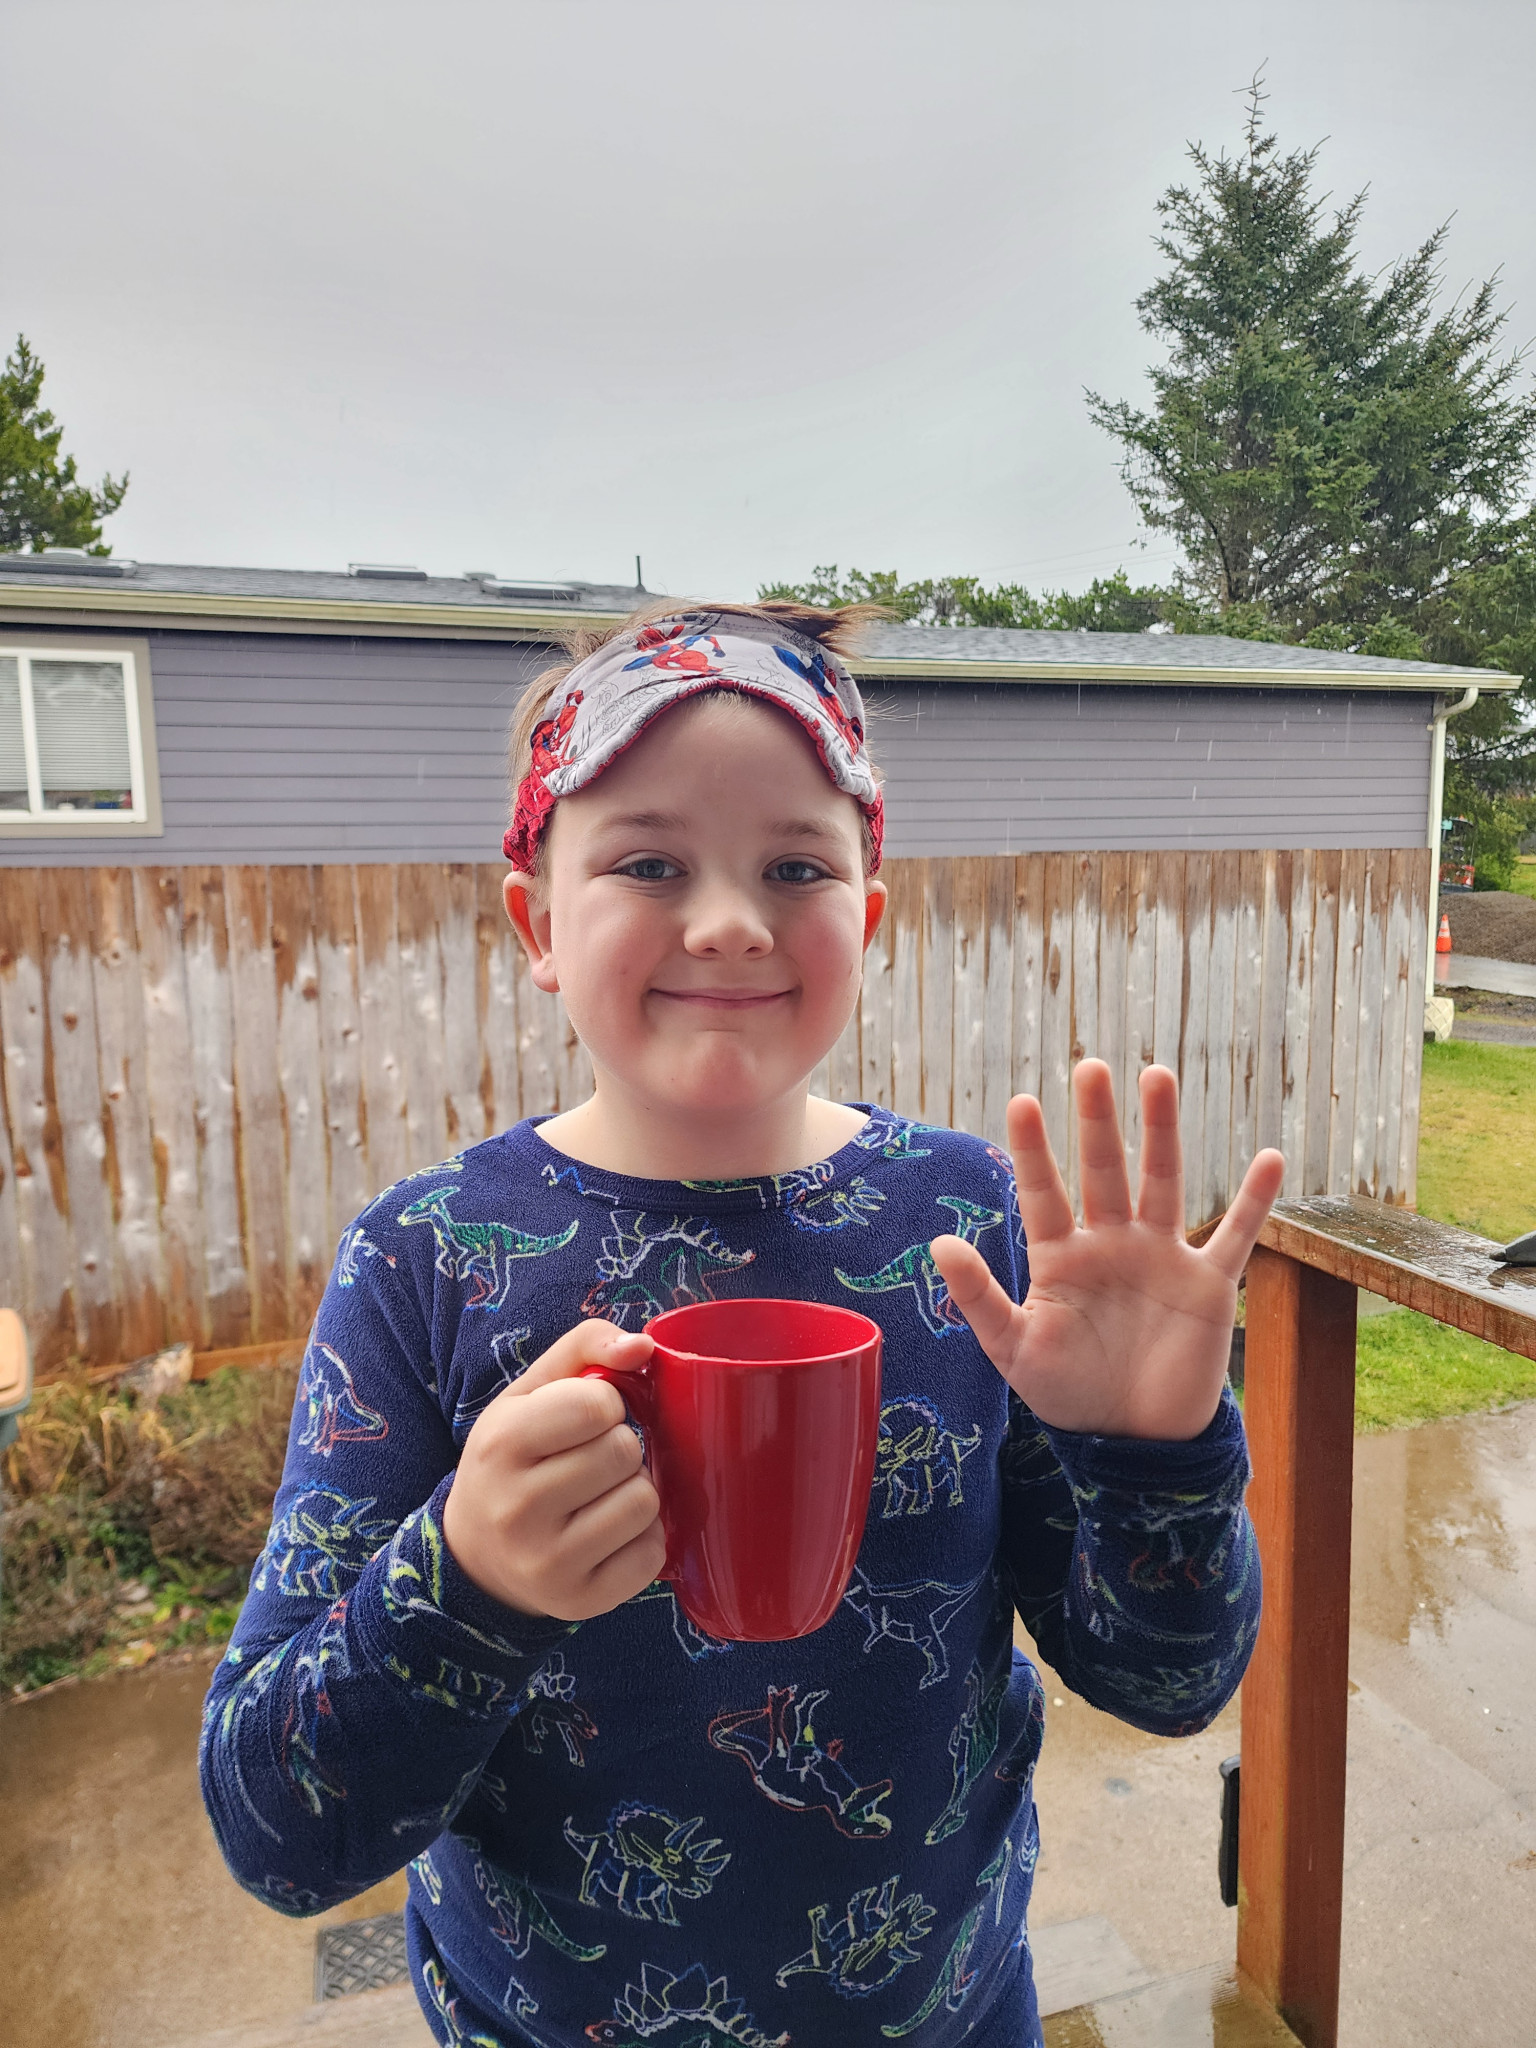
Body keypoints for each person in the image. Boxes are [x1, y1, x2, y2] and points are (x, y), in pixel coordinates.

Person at [201, 601, 1284, 2048]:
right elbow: (278, 1837)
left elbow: (1172, 1685)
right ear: (537, 923)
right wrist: (467, 1578)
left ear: (867, 918)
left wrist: (1155, 1457)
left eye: (795, 865)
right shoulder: (424, 1260)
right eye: (649, 862)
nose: (728, 920)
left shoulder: (974, 1227)